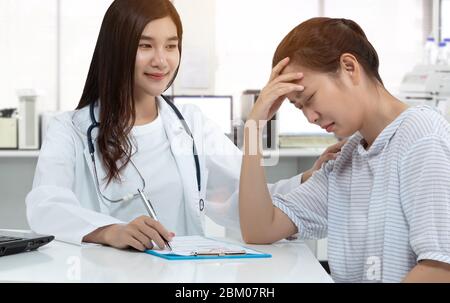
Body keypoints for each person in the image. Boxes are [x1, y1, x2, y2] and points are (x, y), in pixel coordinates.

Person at [26, 0, 335, 252]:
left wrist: (307, 179)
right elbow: (45, 205)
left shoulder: (191, 124)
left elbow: (245, 196)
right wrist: (110, 231)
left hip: (180, 278)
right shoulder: (70, 130)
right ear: (117, 49)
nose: (162, 61)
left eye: (171, 46)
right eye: (145, 46)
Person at [239, 17, 450, 282]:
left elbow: (440, 268)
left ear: (349, 67)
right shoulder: (347, 159)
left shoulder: (422, 137)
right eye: (298, 107)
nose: (310, 118)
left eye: (310, 99)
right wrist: (253, 128)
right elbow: (259, 229)